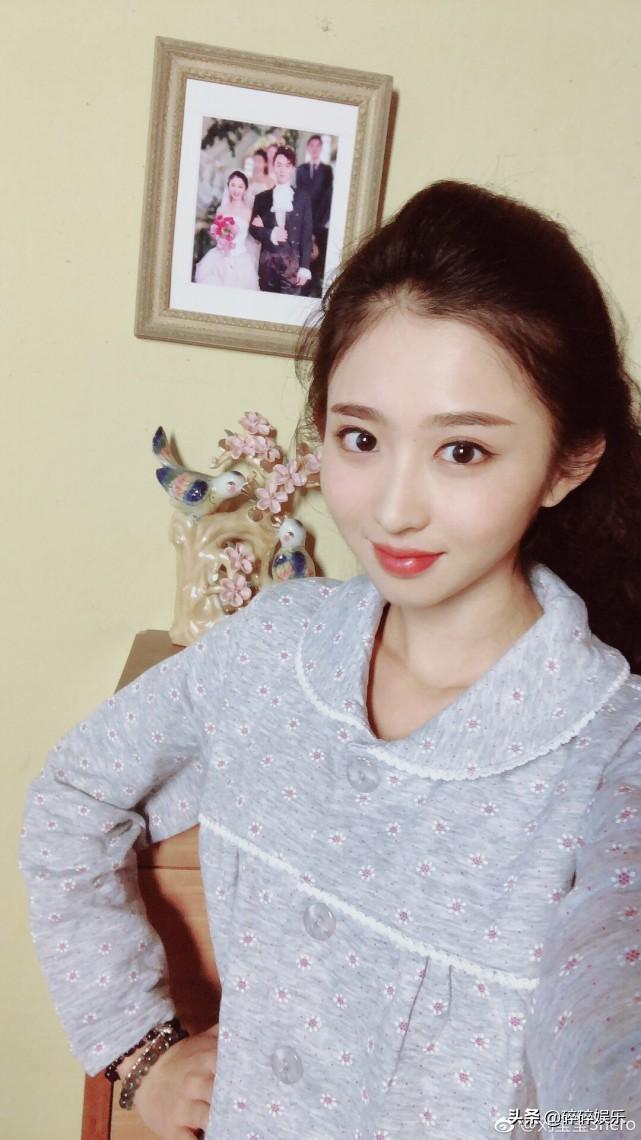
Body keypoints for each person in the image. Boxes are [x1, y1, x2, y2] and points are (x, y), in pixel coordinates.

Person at [21, 181, 641, 1138]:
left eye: (462, 452)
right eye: (360, 438)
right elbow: (72, 800)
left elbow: (604, 1063)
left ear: (571, 459)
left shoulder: (609, 751)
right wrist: (138, 1050)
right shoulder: (273, 651)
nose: (392, 508)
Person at [249, 146, 313, 294]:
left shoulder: (303, 198)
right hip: (267, 264)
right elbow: (252, 229)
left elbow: (306, 235)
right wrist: (270, 233)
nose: (282, 170)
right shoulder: (262, 198)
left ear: (293, 169)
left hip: (293, 266)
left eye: (287, 165)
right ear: (273, 167)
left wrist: (305, 267)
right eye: (279, 165)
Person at [194, 170, 259, 290]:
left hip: (240, 258)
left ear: (245, 189)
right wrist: (220, 240)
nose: (236, 190)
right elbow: (215, 231)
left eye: (240, 186)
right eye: (233, 185)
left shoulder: (249, 212)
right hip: (219, 256)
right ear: (228, 186)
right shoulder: (221, 210)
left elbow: (255, 236)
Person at [296, 133, 333, 295]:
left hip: (319, 225)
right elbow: (299, 198)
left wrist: (316, 228)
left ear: (321, 148)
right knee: (301, 259)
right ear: (308, 148)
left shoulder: (327, 171)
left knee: (316, 260)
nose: (315, 149)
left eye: (318, 146)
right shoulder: (301, 170)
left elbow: (328, 199)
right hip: (303, 223)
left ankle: (313, 292)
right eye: (312, 146)